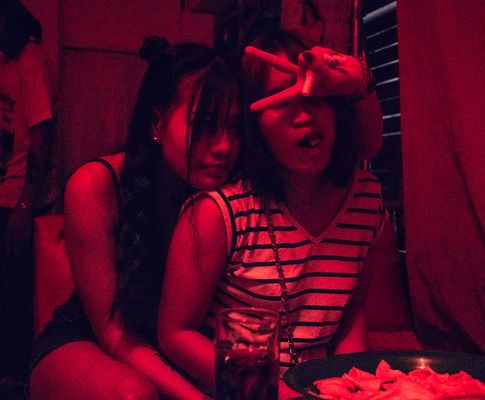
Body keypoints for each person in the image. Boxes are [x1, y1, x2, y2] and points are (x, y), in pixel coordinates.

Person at [158, 30, 399, 398]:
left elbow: (351, 312)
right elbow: (176, 334)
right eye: (283, 100)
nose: (304, 114)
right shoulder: (217, 213)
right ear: (253, 126)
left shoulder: (365, 198)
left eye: (317, 96)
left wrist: (351, 388)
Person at [28, 37, 241, 400]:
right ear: (156, 123)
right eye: (204, 124)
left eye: (234, 128)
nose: (224, 146)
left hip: (178, 352)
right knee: (133, 394)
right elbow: (114, 334)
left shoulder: (231, 193)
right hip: (90, 341)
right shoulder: (96, 186)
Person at [0, 0, 53, 387]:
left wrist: (24, 205)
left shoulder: (28, 58)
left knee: (14, 300)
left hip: (14, 199)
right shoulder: (6, 59)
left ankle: (16, 381)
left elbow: (42, 136)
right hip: (5, 195)